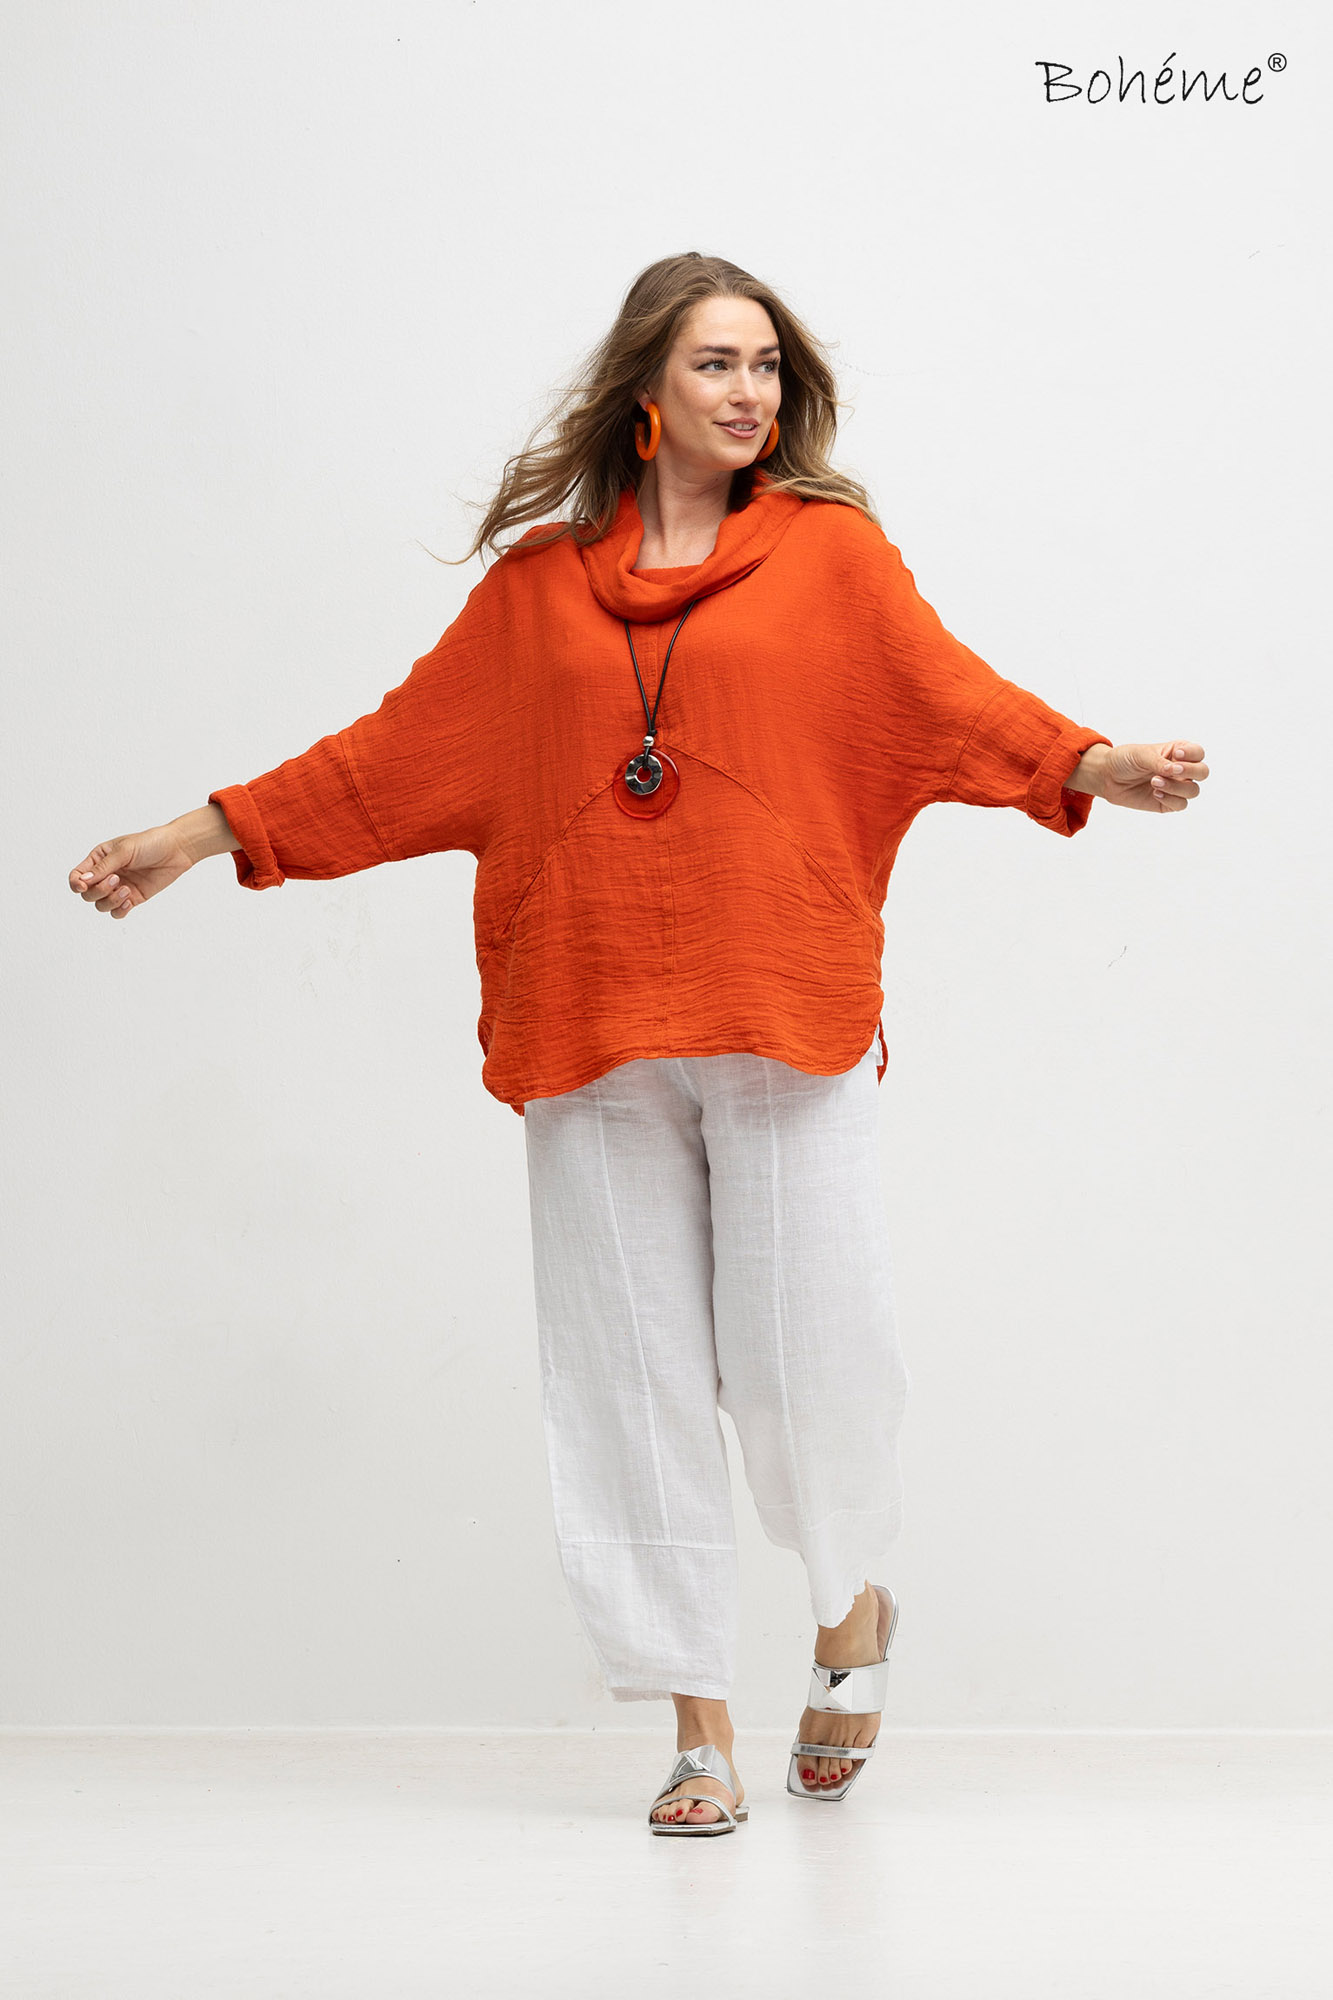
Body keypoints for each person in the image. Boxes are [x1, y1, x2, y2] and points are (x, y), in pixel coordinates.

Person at [68, 251, 1210, 1837]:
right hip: (588, 1015)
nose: (748, 392)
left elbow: (940, 700)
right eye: (715, 364)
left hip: (784, 1007)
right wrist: (201, 834)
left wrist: (1088, 762)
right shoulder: (534, 592)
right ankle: (695, 1727)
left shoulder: (829, 556)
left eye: (766, 366)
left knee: (807, 1362)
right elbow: (393, 757)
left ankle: (846, 1610)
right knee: (629, 1377)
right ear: (644, 393)